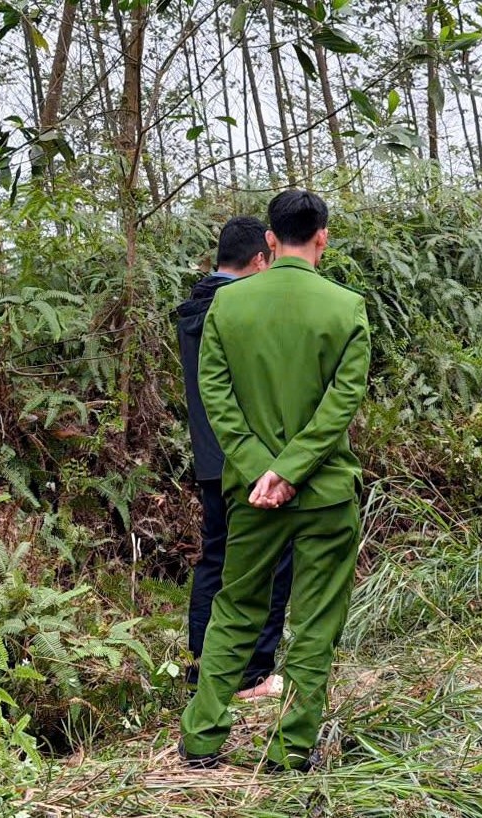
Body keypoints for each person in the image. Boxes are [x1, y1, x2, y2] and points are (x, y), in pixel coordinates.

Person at [179, 190, 371, 773]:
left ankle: (202, 738)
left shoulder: (228, 309)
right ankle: (293, 749)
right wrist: (291, 470)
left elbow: (214, 395)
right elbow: (343, 401)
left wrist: (262, 469)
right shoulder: (346, 308)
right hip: (326, 494)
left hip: (251, 493)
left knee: (235, 608)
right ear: (323, 237)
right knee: (314, 622)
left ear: (269, 239)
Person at [176, 216, 293, 701]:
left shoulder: (192, 309)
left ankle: (203, 665)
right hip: (247, 457)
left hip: (209, 458)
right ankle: (253, 675)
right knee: (273, 557)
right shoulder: (237, 310)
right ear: (261, 259)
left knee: (216, 558)